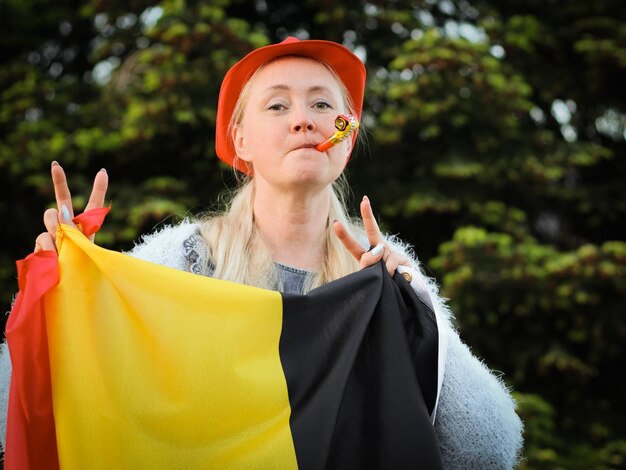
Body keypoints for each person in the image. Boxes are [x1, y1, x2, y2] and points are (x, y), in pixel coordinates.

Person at [0, 37, 523, 468]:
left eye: (324, 105)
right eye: (277, 105)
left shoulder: (385, 269)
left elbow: (491, 449)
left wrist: (419, 315)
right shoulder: (186, 256)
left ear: (346, 134)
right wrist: (66, 294)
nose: (304, 120)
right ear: (241, 141)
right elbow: (17, 403)